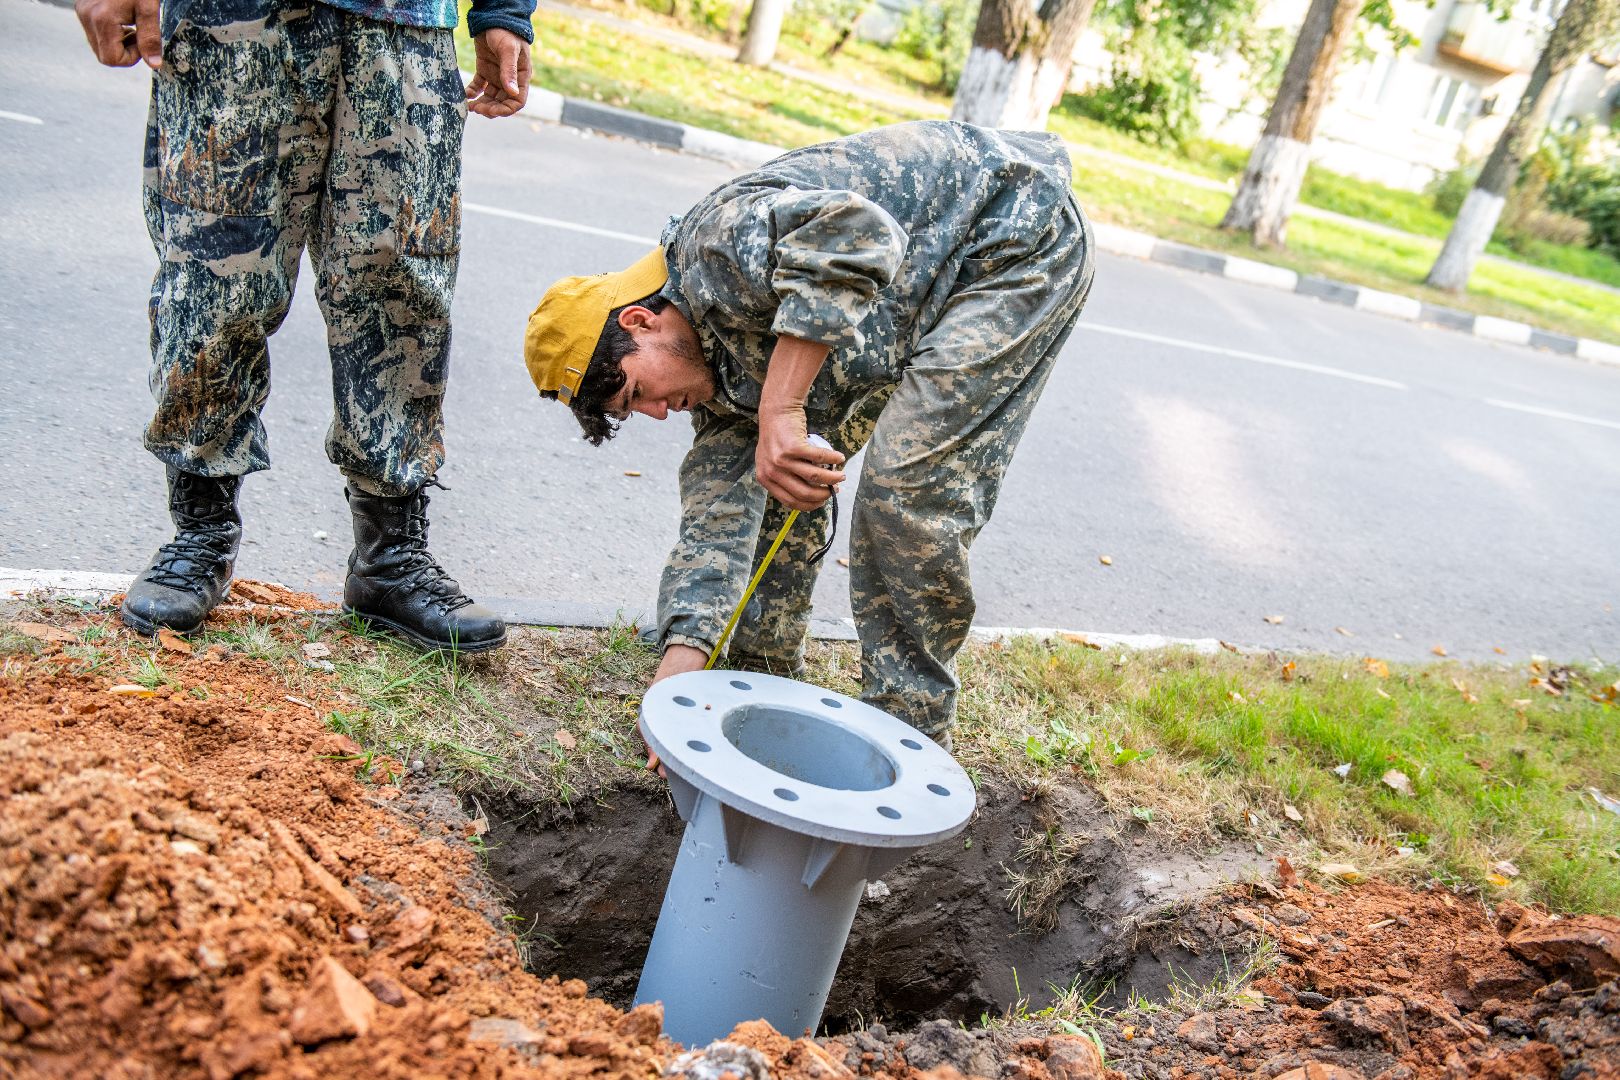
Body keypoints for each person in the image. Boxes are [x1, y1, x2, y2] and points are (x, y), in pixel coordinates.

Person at [524, 121, 1095, 745]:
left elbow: (858, 232)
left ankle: (909, 741)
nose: (659, 414)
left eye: (636, 393)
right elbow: (713, 528)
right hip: (918, 291)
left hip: (1010, 239)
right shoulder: (713, 380)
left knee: (905, 491)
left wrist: (781, 408)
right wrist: (678, 675)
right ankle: (757, 687)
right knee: (781, 477)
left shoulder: (714, 250)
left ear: (640, 320)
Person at [74, 0, 534, 651]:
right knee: (217, 273)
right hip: (234, 19)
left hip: (400, 23)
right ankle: (200, 532)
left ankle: (389, 559)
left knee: (399, 287)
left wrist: (505, 10)